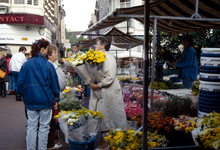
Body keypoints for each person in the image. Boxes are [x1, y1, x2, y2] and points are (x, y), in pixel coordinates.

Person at [17, 38, 60, 150]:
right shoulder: (48, 65)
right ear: (42, 49)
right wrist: (56, 98)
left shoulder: (26, 65)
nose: (47, 51)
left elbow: (19, 85)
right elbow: (55, 85)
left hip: (30, 100)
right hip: (45, 100)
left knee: (31, 126)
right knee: (44, 127)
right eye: (46, 49)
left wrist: (25, 96)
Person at [89, 37, 127, 150]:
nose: (95, 46)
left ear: (103, 46)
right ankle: (105, 143)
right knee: (104, 117)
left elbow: (110, 77)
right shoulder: (99, 57)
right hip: (103, 91)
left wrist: (98, 85)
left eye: (97, 44)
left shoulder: (109, 58)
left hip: (108, 91)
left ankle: (104, 144)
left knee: (107, 117)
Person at [46, 45, 66, 150]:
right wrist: (56, 98)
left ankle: (51, 142)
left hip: (54, 95)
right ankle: (50, 144)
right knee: (51, 121)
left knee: (52, 121)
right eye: (54, 53)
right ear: (49, 55)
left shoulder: (53, 64)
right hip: (52, 96)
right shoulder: (49, 65)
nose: (57, 54)